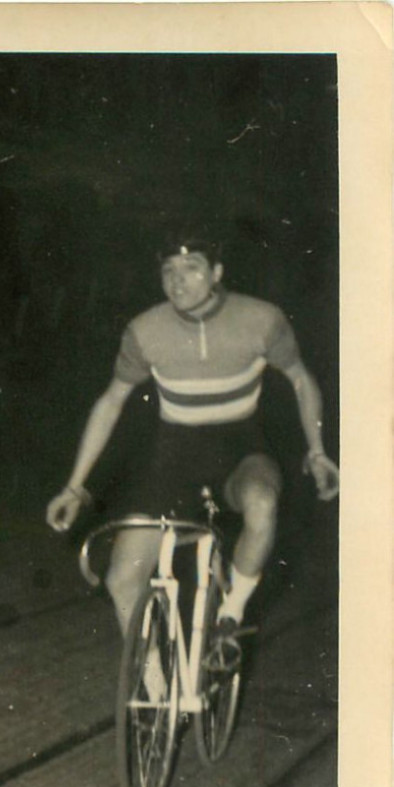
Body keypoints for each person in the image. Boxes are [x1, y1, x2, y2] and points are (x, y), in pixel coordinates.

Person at [46, 232, 339, 658]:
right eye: (168, 272)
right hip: (173, 455)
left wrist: (316, 451)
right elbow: (110, 403)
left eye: (191, 269)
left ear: (217, 273)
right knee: (121, 580)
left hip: (242, 448)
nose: (177, 281)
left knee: (262, 503)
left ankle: (229, 618)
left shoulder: (261, 319)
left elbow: (300, 378)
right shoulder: (145, 330)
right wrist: (74, 486)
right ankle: (152, 688)